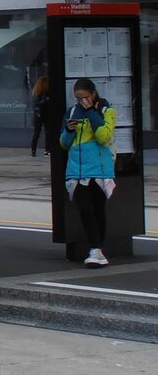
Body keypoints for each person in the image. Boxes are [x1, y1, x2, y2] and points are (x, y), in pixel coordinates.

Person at [59, 78, 116, 267]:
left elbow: (104, 137)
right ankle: (95, 249)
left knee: (97, 209)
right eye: (78, 98)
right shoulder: (72, 112)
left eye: (85, 97)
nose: (82, 101)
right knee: (85, 210)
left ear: (93, 94)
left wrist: (92, 112)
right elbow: (64, 143)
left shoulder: (106, 110)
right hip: (77, 170)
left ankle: (97, 250)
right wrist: (68, 130)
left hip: (99, 170)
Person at [30, 76, 50, 157]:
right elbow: (39, 103)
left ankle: (33, 150)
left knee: (37, 133)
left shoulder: (36, 92)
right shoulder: (46, 93)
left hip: (38, 114)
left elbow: (35, 104)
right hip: (45, 114)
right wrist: (46, 100)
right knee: (47, 132)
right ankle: (47, 150)